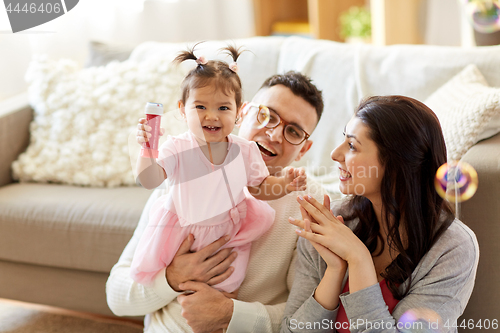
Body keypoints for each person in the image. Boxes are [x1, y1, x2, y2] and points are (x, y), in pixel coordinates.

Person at [106, 70, 328, 333]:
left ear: (303, 149)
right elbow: (117, 297)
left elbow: (309, 317)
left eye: (293, 131)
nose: (275, 134)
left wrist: (231, 315)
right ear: (242, 113)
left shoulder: (310, 204)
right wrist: (172, 279)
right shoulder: (182, 167)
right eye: (266, 115)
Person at [283, 95, 479, 333]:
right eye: (343, 140)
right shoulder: (331, 223)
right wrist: (335, 271)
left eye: (352, 146)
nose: (335, 154)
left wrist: (358, 258)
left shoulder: (452, 248)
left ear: (397, 163)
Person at [130, 45, 307, 295]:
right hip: (181, 230)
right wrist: (148, 148)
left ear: (238, 114)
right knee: (176, 284)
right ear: (182, 110)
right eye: (200, 107)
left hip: (227, 231)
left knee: (228, 283)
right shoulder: (177, 147)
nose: (212, 116)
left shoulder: (245, 150)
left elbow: (259, 187)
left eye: (223, 108)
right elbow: (149, 180)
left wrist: (285, 185)